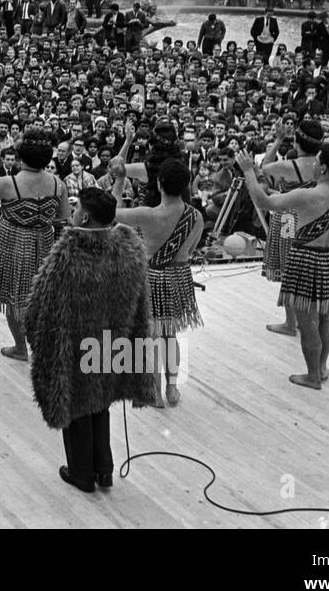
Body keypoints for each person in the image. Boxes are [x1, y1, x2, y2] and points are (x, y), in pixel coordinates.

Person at [24, 188, 154, 493]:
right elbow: (141, 304)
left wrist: (37, 339)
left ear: (84, 216)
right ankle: (104, 470)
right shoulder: (129, 249)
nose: (72, 212)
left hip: (76, 344)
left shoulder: (68, 253)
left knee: (78, 406)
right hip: (114, 339)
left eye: (75, 208)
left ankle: (82, 473)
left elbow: (40, 304)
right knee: (102, 402)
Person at [236, 143, 329, 389]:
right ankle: (322, 367)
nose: (312, 164)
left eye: (316, 161)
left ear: (323, 168)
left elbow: (263, 202)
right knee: (325, 317)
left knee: (307, 324)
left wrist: (248, 171)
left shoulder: (306, 196)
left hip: (304, 259)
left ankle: (312, 376)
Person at [110, 158, 203, 408]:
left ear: (160, 184)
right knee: (170, 335)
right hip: (179, 277)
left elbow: (110, 212)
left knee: (150, 336)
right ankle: (172, 388)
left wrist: (120, 180)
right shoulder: (197, 217)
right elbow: (192, 248)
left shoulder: (147, 214)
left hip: (152, 278)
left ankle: (156, 391)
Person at [0, 127, 66, 361]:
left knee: (14, 297)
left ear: (21, 157)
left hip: (12, 240)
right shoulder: (57, 184)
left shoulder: (8, 183)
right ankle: (41, 347)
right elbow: (64, 216)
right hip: (43, 241)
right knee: (40, 297)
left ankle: (22, 348)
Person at [255, 118, 324, 335]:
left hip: (288, 218)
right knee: (305, 272)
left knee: (287, 271)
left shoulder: (290, 166)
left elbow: (264, 167)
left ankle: (290, 323)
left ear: (297, 141)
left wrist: (278, 139)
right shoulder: (322, 165)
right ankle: (304, 322)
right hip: (312, 219)